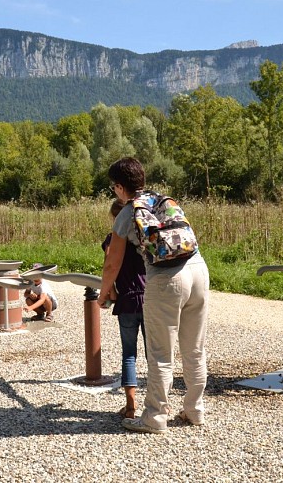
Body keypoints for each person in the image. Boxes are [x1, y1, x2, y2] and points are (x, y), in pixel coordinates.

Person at [97, 157, 210, 433]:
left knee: (160, 353)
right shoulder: (164, 200)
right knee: (194, 348)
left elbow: (112, 262)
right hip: (197, 269)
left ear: (120, 187)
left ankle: (155, 417)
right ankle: (195, 410)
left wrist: (103, 294)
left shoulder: (126, 213)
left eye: (114, 187)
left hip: (166, 278)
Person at [102, 198, 146, 419]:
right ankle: (158, 406)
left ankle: (130, 407)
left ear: (114, 218)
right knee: (155, 355)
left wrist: (108, 295)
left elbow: (109, 267)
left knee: (129, 354)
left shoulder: (112, 239)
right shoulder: (144, 237)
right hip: (150, 299)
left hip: (127, 300)